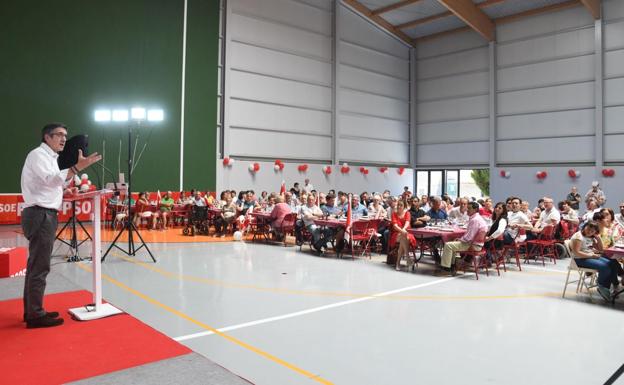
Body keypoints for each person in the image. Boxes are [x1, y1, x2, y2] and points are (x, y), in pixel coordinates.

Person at [21, 123, 101, 328]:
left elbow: (50, 185)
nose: (64, 139)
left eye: (65, 135)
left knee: (35, 266)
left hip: (42, 213)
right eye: (59, 135)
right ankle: (35, 315)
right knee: (39, 267)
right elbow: (49, 180)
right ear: (47, 137)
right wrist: (77, 168)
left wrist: (66, 192)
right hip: (40, 215)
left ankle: (32, 311)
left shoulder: (52, 158)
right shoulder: (38, 155)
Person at [567, 221, 618, 301]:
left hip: (589, 256)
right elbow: (577, 252)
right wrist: (591, 256)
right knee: (604, 266)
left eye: (592, 231)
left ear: (595, 232)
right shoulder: (578, 236)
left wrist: (598, 238)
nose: (589, 232)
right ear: (585, 226)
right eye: (588, 228)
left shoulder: (590, 237)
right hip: (579, 259)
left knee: (613, 263)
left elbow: (600, 249)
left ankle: (608, 286)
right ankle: (602, 285)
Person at [438, 202, 488, 275]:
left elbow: (469, 237)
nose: (467, 210)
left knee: (448, 245)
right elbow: (470, 235)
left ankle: (446, 269)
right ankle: (452, 266)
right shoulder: (477, 218)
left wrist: (460, 239)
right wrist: (460, 239)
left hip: (473, 245)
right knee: (452, 243)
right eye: (467, 208)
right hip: (478, 244)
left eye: (469, 208)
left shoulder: (475, 220)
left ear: (475, 209)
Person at [390, 199, 416, 271]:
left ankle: (398, 263)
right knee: (403, 236)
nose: (399, 206)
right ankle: (408, 259)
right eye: (398, 205)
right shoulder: (394, 214)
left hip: (407, 233)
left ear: (404, 206)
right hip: (396, 234)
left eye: (401, 205)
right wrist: (402, 231)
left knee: (403, 238)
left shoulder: (407, 213)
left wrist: (403, 230)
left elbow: (407, 223)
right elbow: (395, 226)